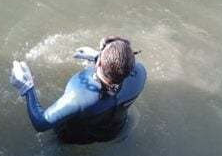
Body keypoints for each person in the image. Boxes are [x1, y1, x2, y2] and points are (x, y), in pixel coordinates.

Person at [10, 37, 146, 142]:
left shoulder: (80, 96)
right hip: (116, 130)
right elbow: (119, 70)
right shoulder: (140, 74)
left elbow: (40, 124)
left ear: (99, 63)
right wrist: (97, 56)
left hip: (77, 138)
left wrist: (26, 87)